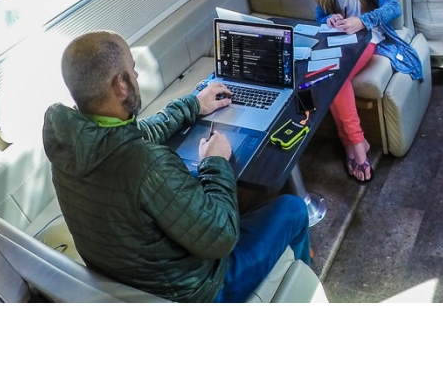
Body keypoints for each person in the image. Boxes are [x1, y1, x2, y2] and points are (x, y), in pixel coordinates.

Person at [42, 30, 311, 303]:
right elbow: (222, 237)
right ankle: (303, 287)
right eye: (132, 71)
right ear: (121, 84)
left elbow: (137, 133)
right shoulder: (149, 166)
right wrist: (214, 162)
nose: (136, 77)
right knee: (293, 209)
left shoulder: (69, 146)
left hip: (125, 278)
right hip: (195, 291)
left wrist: (193, 104)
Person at [309, 0, 423, 183]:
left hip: (367, 37)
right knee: (327, 77)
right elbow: (319, 17)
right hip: (338, 39)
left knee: (335, 78)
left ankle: (355, 143)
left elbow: (393, 7)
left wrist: (362, 21)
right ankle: (354, 142)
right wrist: (329, 19)